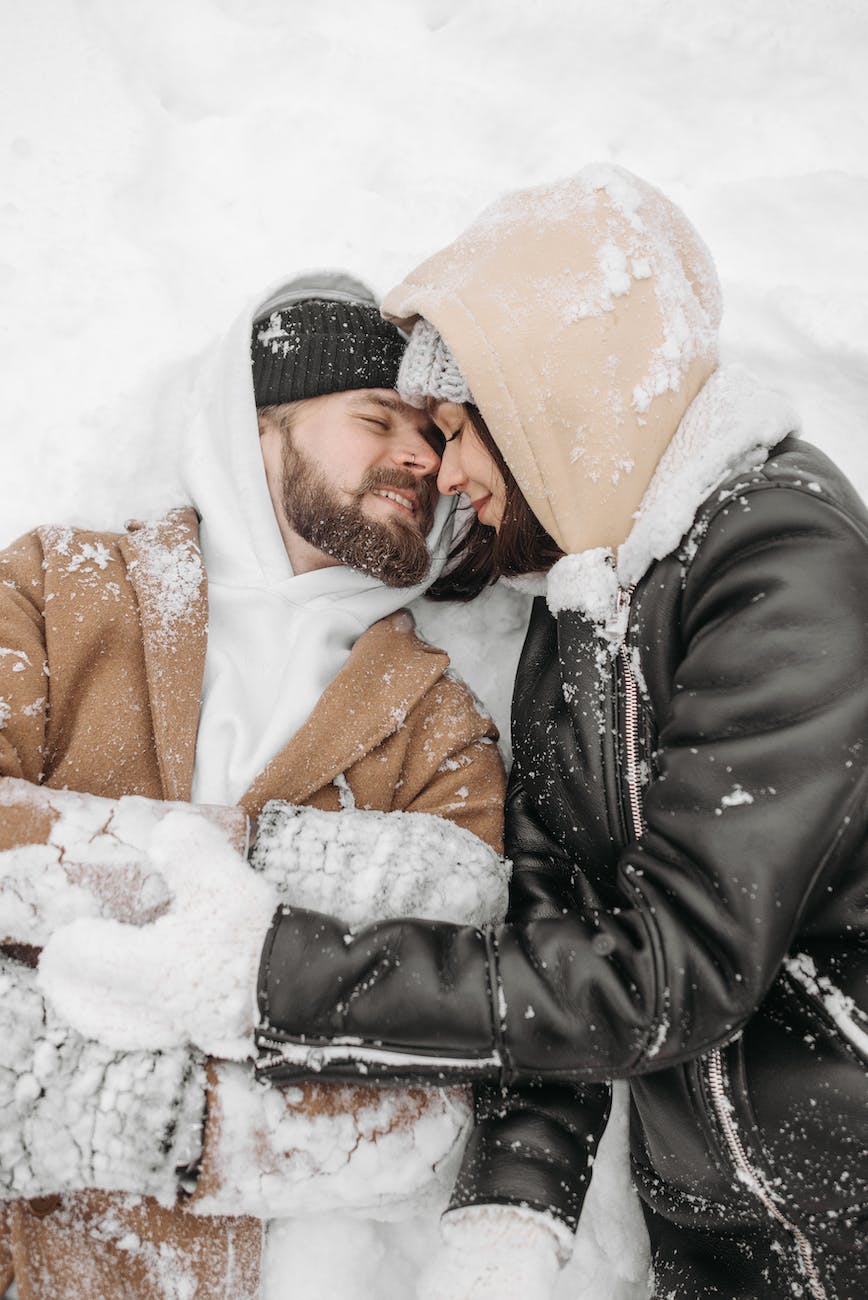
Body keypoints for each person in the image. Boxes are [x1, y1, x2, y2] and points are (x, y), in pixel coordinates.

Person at [37, 167, 868, 1300]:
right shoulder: (570, 633)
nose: (443, 468)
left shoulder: (776, 558)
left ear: (548, 398)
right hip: (728, 1245)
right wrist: (507, 1229)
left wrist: (258, 959)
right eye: (394, 422)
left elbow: (668, 969)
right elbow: (553, 949)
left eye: (453, 428)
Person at [0, 273, 508, 1298]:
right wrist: (283, 890)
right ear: (260, 423)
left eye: (433, 434)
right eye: (378, 419)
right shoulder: (60, 589)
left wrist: (100, 1103)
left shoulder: (437, 721)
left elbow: (430, 1101)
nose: (422, 456)